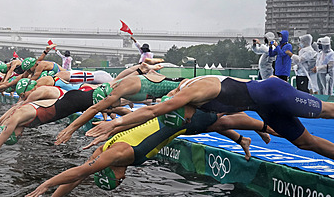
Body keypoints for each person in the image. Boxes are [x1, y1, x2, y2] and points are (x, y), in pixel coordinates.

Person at [26, 109, 274, 197]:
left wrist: (47, 184)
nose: (122, 182)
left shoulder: (117, 154)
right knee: (218, 122)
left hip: (178, 121)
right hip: (173, 123)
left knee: (226, 118)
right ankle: (243, 139)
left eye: (117, 181)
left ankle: (271, 127)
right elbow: (79, 175)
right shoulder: (102, 155)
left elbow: (80, 173)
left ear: (110, 170)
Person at [86, 75, 334, 160]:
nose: (187, 120)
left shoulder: (193, 92)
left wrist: (115, 123)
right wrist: (114, 127)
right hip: (261, 106)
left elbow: (152, 112)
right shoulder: (182, 97)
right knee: (305, 143)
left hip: (274, 93)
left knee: (325, 111)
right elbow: (151, 111)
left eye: (184, 117)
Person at [0, 86, 106, 176]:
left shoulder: (16, 119)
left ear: (13, 132)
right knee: (114, 100)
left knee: (115, 95)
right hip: (69, 102)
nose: (20, 137)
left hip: (74, 102)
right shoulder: (11, 124)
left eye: (17, 137)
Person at [55, 70, 183, 145]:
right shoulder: (120, 90)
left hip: (182, 87)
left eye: (109, 107)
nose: (109, 109)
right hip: (170, 87)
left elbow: (95, 109)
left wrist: (71, 129)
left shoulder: (120, 89)